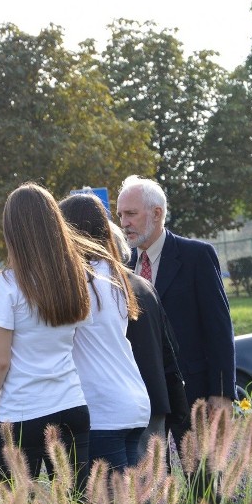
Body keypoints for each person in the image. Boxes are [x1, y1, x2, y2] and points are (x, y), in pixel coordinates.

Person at [0, 182, 92, 496]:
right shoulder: (72, 276)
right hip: (73, 405)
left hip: (23, 415)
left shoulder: (9, 285)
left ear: (13, 232)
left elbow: (0, 360)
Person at [116, 175, 237, 425]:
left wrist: (223, 393)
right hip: (143, 398)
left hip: (193, 395)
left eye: (130, 214)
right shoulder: (120, 265)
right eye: (119, 216)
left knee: (202, 466)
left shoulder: (196, 256)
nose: (123, 223)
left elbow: (219, 329)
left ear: (157, 213)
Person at [58, 194, 150, 473]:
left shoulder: (78, 280)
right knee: (129, 503)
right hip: (132, 400)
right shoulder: (115, 274)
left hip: (102, 410)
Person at [110, 221, 191, 456]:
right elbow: (169, 349)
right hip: (154, 399)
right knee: (152, 482)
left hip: (122, 404)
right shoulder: (144, 286)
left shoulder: (102, 291)